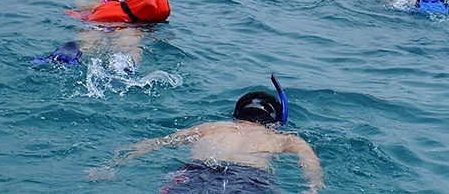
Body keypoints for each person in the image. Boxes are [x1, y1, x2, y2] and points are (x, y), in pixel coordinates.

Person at [101, 76, 325, 194]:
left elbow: (156, 143)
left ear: (236, 115)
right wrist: (311, 190)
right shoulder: (284, 139)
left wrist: (113, 165)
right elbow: (310, 163)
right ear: (275, 122)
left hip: (197, 172)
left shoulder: (211, 127)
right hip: (247, 180)